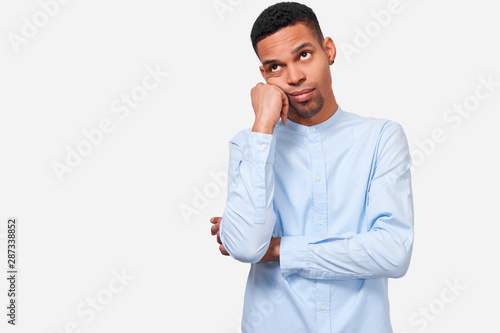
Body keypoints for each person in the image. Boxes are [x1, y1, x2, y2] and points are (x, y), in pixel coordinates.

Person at [210, 2, 414, 332]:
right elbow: (247, 247)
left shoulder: (380, 138)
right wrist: (263, 124)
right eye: (275, 67)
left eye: (303, 55)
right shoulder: (250, 144)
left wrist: (278, 249)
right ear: (264, 77)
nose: (294, 77)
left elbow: (392, 252)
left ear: (328, 50)